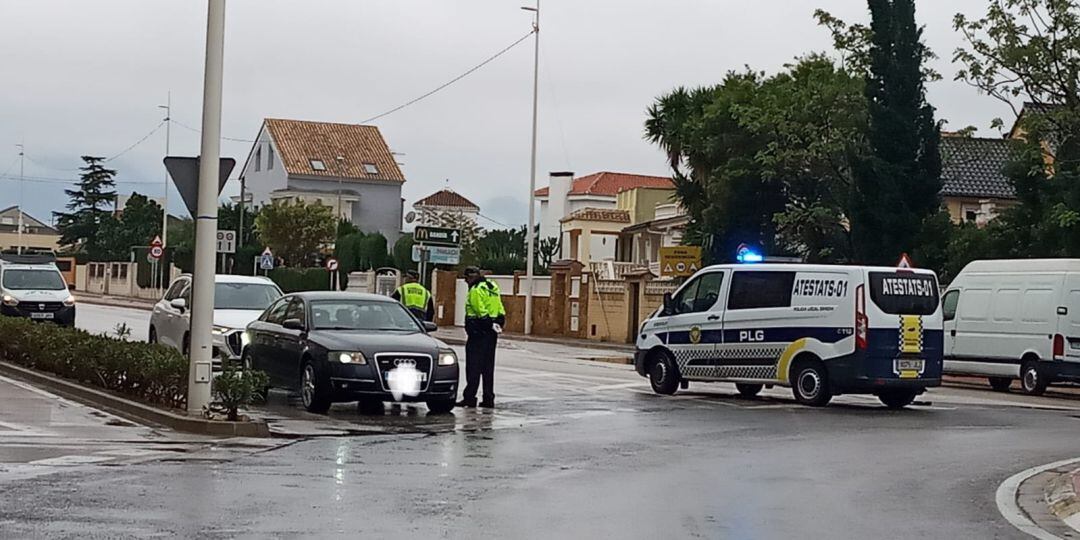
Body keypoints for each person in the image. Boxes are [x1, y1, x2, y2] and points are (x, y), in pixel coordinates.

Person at [458, 266, 506, 409]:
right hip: (491, 333)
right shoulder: (492, 286)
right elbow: (500, 308)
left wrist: (486, 323)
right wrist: (497, 322)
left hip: (478, 331)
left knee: (473, 366)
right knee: (487, 367)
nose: (466, 282)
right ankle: (488, 398)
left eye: (466, 279)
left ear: (470, 277)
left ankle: (469, 398)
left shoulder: (475, 290)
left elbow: (479, 310)